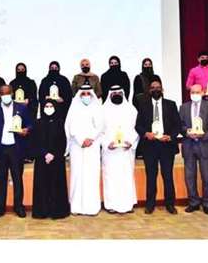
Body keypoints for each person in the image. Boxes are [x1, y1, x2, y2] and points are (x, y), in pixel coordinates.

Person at [0, 85, 34, 219]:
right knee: (0, 179)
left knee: (18, 179)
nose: (5, 95)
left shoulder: (22, 107)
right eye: (2, 93)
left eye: (7, 93)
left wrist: (26, 130)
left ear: (12, 93)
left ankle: (19, 207)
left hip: (16, 148)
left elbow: (30, 124)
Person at [134, 78, 182, 214]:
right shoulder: (143, 106)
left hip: (166, 145)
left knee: (167, 176)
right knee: (151, 176)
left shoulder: (170, 104)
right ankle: (150, 204)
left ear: (162, 89)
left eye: (158, 87)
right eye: (153, 87)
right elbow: (138, 125)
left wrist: (171, 136)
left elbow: (177, 125)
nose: (156, 89)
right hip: (150, 145)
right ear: (149, 90)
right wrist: (145, 133)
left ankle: (170, 204)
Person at [179, 84, 208, 215]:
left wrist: (204, 135)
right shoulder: (183, 107)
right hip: (189, 145)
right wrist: (187, 132)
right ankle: (194, 202)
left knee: (207, 177)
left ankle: (207, 203)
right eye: (192, 92)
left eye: (197, 92)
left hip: (205, 145)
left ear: (202, 92)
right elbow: (180, 125)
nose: (195, 94)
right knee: (189, 177)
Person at [65, 84, 104, 216]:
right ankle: (76, 206)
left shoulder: (97, 109)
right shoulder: (74, 108)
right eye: (83, 94)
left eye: (88, 94)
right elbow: (70, 127)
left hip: (92, 147)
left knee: (91, 176)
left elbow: (101, 126)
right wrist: (81, 140)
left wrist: (91, 138)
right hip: (77, 146)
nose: (86, 97)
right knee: (77, 175)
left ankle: (91, 207)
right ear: (79, 95)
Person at [101, 85, 139, 214]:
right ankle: (111, 205)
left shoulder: (131, 110)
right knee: (110, 177)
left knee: (126, 176)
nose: (116, 94)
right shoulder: (103, 110)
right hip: (110, 152)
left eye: (119, 92)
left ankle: (127, 204)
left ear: (123, 93)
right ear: (110, 94)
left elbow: (137, 129)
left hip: (126, 151)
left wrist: (131, 142)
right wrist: (107, 143)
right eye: (114, 92)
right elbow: (99, 131)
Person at [31, 99, 70, 219]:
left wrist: (53, 154)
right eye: (46, 106)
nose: (48, 108)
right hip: (41, 159)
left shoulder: (60, 122)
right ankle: (42, 211)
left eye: (50, 106)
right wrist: (45, 154)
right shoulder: (37, 123)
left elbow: (63, 141)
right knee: (42, 185)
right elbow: (35, 141)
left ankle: (57, 211)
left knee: (56, 185)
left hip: (57, 160)